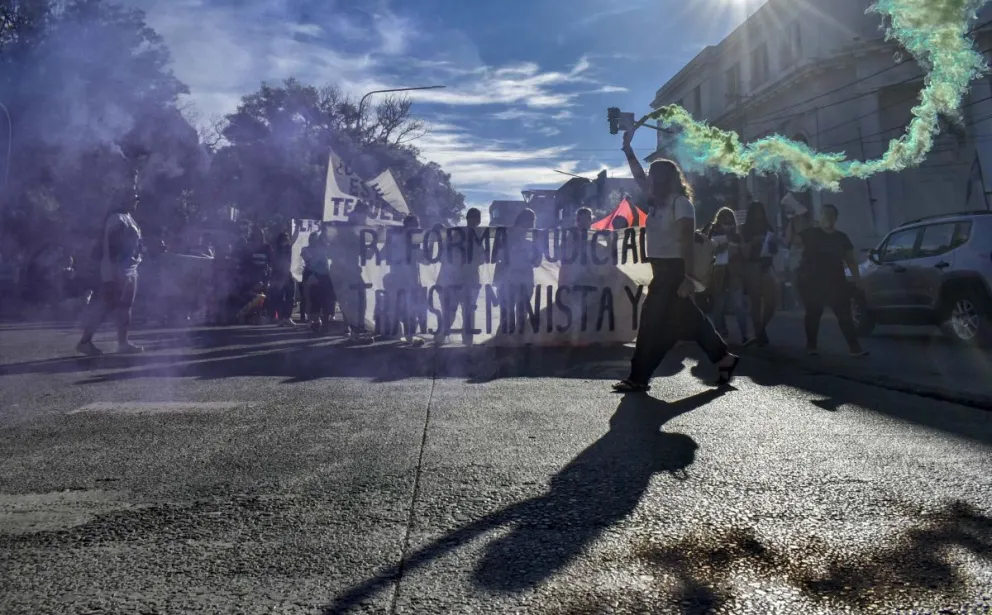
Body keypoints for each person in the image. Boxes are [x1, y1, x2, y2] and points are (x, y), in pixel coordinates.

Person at [612, 123, 738, 392]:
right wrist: (627, 148)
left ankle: (639, 377)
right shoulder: (657, 202)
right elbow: (637, 175)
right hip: (661, 270)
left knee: (651, 323)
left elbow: (686, 243)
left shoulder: (681, 204)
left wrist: (689, 279)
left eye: (653, 176)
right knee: (689, 322)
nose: (648, 179)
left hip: (674, 272)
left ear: (664, 179)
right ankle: (724, 358)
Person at [77, 191, 144, 355]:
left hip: (130, 269)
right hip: (118, 271)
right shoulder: (117, 218)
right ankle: (85, 342)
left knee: (126, 306)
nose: (137, 201)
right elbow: (114, 247)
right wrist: (115, 272)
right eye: (134, 198)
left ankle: (123, 343)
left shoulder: (128, 217)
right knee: (106, 307)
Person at [797, 204, 868, 356]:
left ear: (835, 218)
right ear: (820, 217)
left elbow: (851, 260)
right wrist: (794, 218)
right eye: (824, 214)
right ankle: (811, 346)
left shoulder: (841, 238)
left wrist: (858, 280)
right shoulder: (811, 233)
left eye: (831, 214)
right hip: (812, 280)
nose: (828, 217)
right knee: (813, 313)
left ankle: (855, 348)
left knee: (844, 314)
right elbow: (792, 240)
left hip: (836, 280)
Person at [435, 207, 485, 346]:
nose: (475, 220)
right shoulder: (455, 235)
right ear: (468, 218)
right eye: (473, 217)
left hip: (469, 280)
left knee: (468, 313)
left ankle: (467, 343)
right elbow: (444, 255)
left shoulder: (479, 237)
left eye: (477, 218)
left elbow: (482, 258)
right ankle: (439, 340)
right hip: (455, 280)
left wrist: (470, 263)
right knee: (451, 311)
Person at [707, 207, 750, 344]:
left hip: (734, 274)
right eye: (725, 222)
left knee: (738, 305)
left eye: (731, 222)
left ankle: (745, 335)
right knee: (719, 305)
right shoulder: (713, 234)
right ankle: (719, 333)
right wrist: (722, 247)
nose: (728, 225)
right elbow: (708, 252)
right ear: (719, 222)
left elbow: (744, 255)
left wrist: (738, 245)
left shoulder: (737, 236)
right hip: (719, 274)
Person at [741, 201, 779, 346]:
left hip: (767, 264)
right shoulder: (745, 229)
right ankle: (759, 332)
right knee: (755, 301)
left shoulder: (767, 227)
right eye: (755, 212)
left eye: (760, 212)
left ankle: (761, 327)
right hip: (752, 264)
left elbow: (774, 249)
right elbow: (743, 251)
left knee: (771, 300)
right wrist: (754, 242)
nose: (758, 215)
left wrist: (771, 241)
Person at [494, 208, 537, 335]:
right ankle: (502, 344)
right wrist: (497, 281)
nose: (528, 223)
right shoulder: (507, 237)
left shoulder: (533, 240)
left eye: (531, 221)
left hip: (525, 280)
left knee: (521, 314)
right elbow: (499, 259)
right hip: (509, 281)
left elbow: (537, 262)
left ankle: (517, 344)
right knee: (507, 315)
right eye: (527, 220)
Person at [385, 215, 426, 346]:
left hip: (411, 281)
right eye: (413, 226)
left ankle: (407, 335)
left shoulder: (415, 243)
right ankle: (402, 335)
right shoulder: (396, 239)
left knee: (410, 309)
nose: (415, 229)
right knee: (402, 308)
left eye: (416, 227)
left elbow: (424, 260)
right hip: (400, 280)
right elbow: (385, 253)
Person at [303, 229, 335, 335]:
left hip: (324, 276)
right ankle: (312, 321)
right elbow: (311, 262)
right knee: (312, 299)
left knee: (325, 300)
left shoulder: (324, 249)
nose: (314, 241)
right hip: (312, 275)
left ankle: (323, 322)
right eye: (312, 239)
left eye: (316, 239)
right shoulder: (306, 249)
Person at [270, 232, 297, 326]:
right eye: (284, 238)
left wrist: (297, 226)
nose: (286, 240)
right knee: (280, 298)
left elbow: (294, 238)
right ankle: (281, 318)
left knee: (290, 297)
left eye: (287, 238)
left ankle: (287, 317)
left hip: (288, 275)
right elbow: (274, 264)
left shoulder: (289, 249)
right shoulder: (276, 251)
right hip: (279, 276)